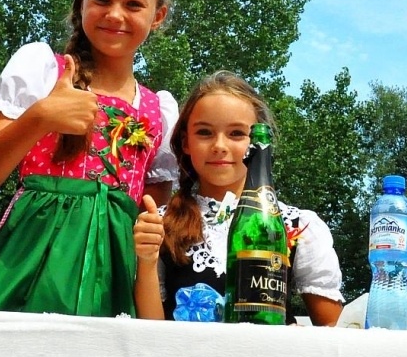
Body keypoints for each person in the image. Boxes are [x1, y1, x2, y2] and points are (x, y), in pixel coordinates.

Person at [0, 0, 178, 317]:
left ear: (157, 17)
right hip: (30, 258)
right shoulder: (43, 70)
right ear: (81, 3)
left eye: (134, 4)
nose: (115, 14)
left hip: (114, 270)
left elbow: (150, 208)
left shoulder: (160, 109)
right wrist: (39, 118)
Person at [133, 71, 344, 324]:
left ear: (256, 143)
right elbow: (149, 332)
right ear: (185, 141)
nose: (220, 145)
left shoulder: (295, 225)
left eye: (236, 134)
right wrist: (147, 261)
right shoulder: (161, 223)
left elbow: (333, 330)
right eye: (204, 132)